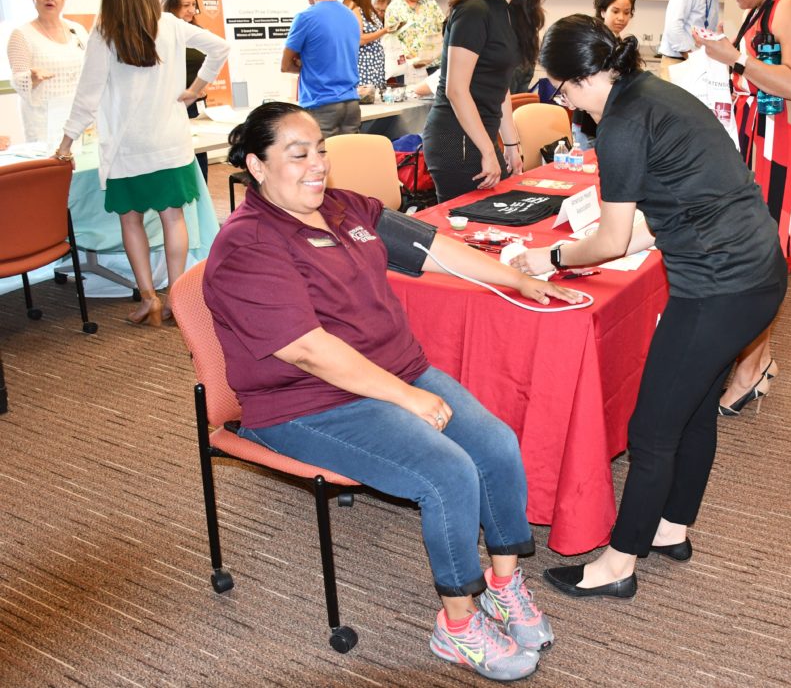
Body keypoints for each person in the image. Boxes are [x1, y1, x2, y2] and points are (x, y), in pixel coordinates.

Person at [205, 101, 583, 680]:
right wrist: (407, 398)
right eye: (297, 154)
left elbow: (431, 248)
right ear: (256, 166)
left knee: (498, 445)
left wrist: (521, 280)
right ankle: (456, 628)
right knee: (448, 472)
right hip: (307, 403)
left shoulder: (341, 206)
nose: (316, 165)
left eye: (321, 151)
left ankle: (504, 587)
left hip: (393, 373)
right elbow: (307, 349)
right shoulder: (247, 245)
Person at [509, 15, 786, 599]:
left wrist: (554, 255)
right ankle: (670, 528)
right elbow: (654, 223)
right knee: (694, 409)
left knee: (652, 428)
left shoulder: (623, 123)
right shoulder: (656, 93)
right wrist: (559, 257)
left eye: (560, 89)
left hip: (719, 287)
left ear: (583, 77)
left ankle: (619, 562)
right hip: (758, 275)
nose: (564, 103)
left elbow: (611, 240)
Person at [55, 0, 229, 327]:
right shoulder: (170, 24)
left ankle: (148, 299)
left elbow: (87, 96)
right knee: (173, 219)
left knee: (130, 222)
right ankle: (175, 299)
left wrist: (66, 143)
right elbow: (221, 48)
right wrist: (195, 89)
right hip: (170, 142)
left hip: (126, 149)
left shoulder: (104, 33)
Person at [696, 0, 791, 416]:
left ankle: (751, 368)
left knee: (761, 258)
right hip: (758, 138)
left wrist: (737, 58)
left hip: (781, 144)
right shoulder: (764, 4)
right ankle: (759, 359)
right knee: (754, 253)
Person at [422, 0, 544, 203]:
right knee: (470, 228)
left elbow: (499, 87)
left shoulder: (507, 12)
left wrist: (511, 144)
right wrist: (489, 151)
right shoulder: (474, 11)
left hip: (481, 138)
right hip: (457, 139)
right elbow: (456, 89)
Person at [282, 0, 362, 138]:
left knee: (322, 163)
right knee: (347, 160)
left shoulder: (305, 18)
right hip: (351, 104)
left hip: (321, 105)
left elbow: (285, 65)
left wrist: (305, 64)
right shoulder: (350, 16)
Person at [6, 0, 88, 145]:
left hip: (78, 120)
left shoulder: (78, 31)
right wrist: (32, 79)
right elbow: (18, 80)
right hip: (43, 124)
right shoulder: (21, 34)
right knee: (52, 170)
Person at [572, 0, 635, 150]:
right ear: (602, 11)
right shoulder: (591, 41)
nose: (621, 18)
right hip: (588, 124)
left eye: (627, 12)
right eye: (615, 11)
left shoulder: (621, 44)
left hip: (612, 121)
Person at [161, 0, 209, 181]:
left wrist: (200, 86)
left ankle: (201, 208)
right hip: (173, 106)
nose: (191, 10)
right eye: (185, 5)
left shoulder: (195, 30)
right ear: (171, 5)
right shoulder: (163, 32)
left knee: (200, 161)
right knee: (179, 166)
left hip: (195, 106)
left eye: (193, 4)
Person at [385, 0, 445, 74]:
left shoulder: (430, 3)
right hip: (409, 68)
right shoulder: (394, 8)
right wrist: (407, 55)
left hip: (434, 65)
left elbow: (444, 28)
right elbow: (391, 40)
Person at [344, 0, 394, 91]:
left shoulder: (366, 7)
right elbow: (359, 39)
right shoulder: (354, 8)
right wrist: (384, 31)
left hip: (374, 68)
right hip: (364, 69)